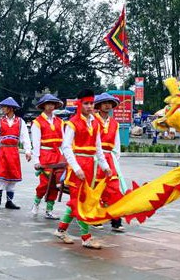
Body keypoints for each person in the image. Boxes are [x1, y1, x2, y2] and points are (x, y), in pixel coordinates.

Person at [54, 89, 111, 249]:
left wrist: (105, 166)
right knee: (81, 202)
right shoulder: (72, 123)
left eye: (91, 103)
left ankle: (61, 230)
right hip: (78, 167)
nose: (89, 106)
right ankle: (86, 238)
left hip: (91, 167)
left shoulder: (95, 122)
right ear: (79, 104)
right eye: (86, 103)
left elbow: (98, 147)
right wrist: (76, 167)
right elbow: (66, 147)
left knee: (78, 201)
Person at [0, 97, 31, 210]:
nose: (2, 109)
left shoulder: (20, 122)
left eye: (4, 107)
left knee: (12, 175)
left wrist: (27, 151)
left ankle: (9, 201)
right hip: (2, 151)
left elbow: (25, 137)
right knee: (1, 175)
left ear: (11, 108)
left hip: (13, 151)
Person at [93, 93, 126, 232]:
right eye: (104, 102)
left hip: (110, 158)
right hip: (95, 158)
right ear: (99, 105)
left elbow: (116, 145)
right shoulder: (92, 120)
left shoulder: (115, 123)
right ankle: (96, 217)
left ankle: (116, 219)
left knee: (113, 187)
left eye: (110, 103)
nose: (107, 105)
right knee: (96, 188)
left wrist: (115, 160)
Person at [30, 94, 65, 220]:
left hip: (58, 155)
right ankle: (36, 202)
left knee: (56, 183)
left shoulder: (60, 122)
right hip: (45, 155)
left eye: (53, 104)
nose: (51, 106)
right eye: (48, 104)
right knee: (44, 183)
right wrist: (36, 160)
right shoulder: (37, 122)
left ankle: (49, 210)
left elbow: (65, 141)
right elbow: (36, 142)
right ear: (43, 105)